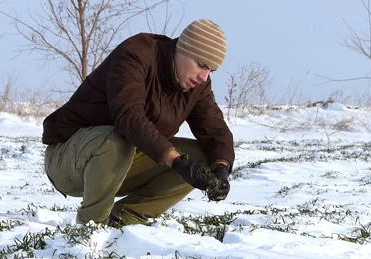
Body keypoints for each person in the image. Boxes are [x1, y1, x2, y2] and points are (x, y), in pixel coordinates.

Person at [42, 19, 235, 226]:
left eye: (211, 71)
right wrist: (176, 162)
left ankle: (124, 218)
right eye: (201, 65)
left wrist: (221, 168)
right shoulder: (135, 55)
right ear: (183, 49)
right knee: (116, 140)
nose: (204, 77)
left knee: (204, 157)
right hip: (68, 161)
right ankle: (91, 228)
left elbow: (215, 130)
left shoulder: (197, 85)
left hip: (123, 163)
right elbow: (129, 118)